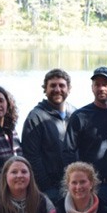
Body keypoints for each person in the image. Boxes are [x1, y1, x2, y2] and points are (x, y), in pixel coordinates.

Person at [63, 67, 107, 213]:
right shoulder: (80, 116)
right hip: (91, 187)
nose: (101, 88)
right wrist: (78, 183)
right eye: (97, 84)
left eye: (105, 84)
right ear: (92, 88)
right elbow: (69, 153)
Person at [21, 69, 76, 205]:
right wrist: (46, 188)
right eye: (52, 85)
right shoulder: (35, 117)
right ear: (45, 89)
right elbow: (32, 157)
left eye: (61, 85)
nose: (57, 89)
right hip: (49, 190)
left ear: (69, 89)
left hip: (74, 186)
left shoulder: (75, 114)